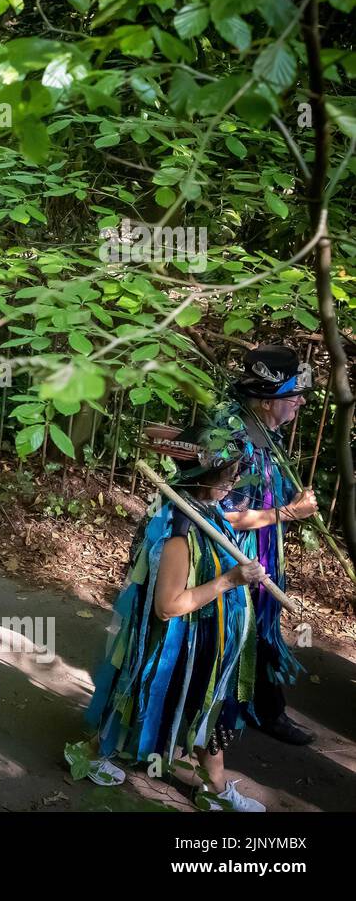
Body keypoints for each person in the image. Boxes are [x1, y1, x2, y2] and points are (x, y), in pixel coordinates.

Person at [81, 424, 266, 811]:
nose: (234, 484)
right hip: (178, 640)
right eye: (229, 476)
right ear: (207, 477)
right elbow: (167, 605)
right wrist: (230, 580)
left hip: (196, 638)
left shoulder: (203, 510)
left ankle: (97, 752)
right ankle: (213, 790)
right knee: (189, 700)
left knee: (189, 702)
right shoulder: (180, 529)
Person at [216, 346, 317, 746]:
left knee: (261, 630)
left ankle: (264, 709)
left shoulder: (266, 434)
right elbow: (224, 516)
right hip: (231, 556)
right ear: (264, 401)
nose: (302, 402)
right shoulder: (233, 438)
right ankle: (219, 718)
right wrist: (290, 515)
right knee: (235, 631)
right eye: (293, 396)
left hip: (261, 554)